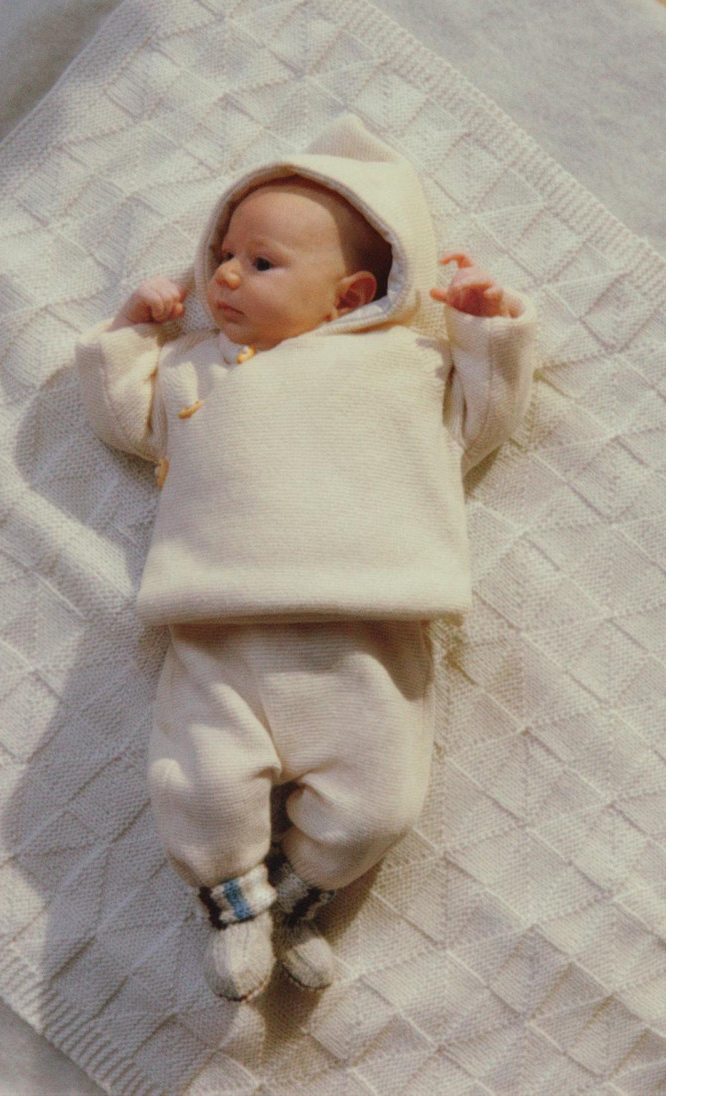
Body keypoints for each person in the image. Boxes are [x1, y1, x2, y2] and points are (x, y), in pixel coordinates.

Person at [76, 115, 537, 1002]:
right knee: (200, 787)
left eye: (260, 262)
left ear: (350, 292)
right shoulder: (197, 370)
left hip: (367, 634)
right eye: (224, 254)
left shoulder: (407, 366)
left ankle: (292, 905)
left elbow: (487, 417)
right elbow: (123, 416)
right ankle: (235, 908)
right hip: (219, 629)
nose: (224, 275)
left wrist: (488, 331)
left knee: (378, 804)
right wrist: (130, 330)